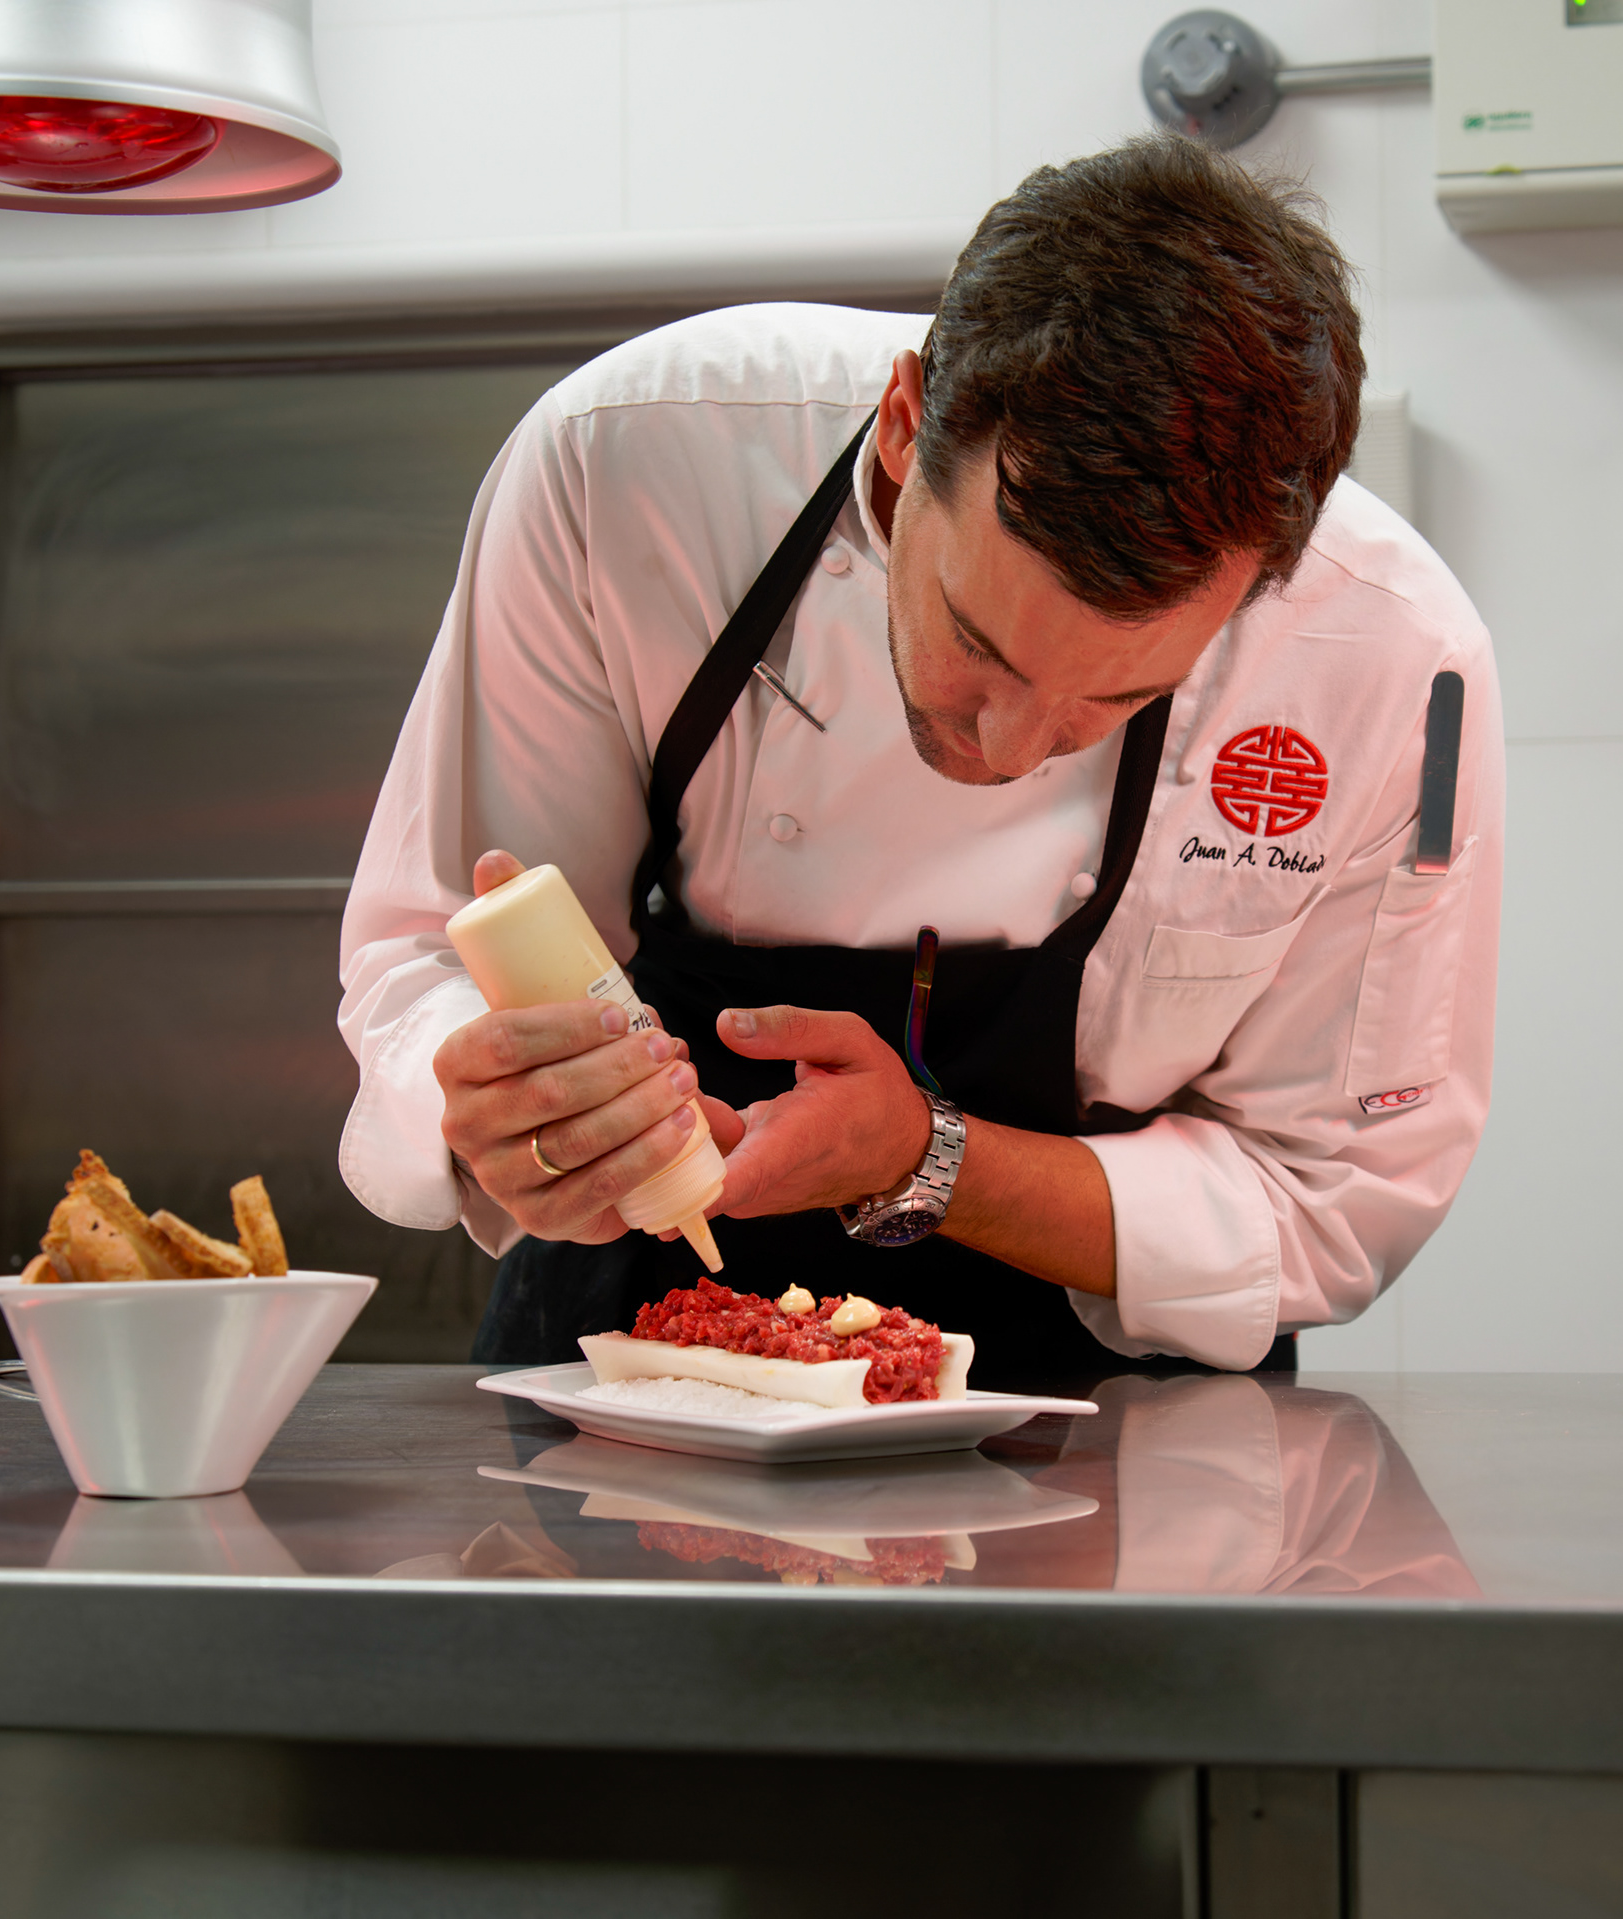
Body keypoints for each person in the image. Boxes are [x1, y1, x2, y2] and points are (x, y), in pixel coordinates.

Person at [336, 136, 1503, 1377]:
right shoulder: (626, 464)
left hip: (1105, 1410)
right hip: (636, 1336)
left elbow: (1332, 1202)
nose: (1007, 749)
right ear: (902, 429)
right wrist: (503, 1101)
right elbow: (433, 947)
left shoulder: (1387, 656)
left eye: (1115, 699)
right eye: (978, 643)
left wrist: (927, 1157)